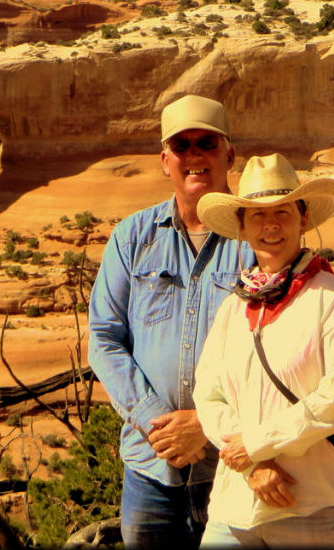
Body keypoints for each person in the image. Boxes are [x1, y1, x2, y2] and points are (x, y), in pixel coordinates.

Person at [88, 94, 252, 549]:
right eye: (182, 146)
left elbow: (275, 354)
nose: (195, 155)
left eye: (207, 143)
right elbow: (104, 338)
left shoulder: (254, 238)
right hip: (151, 464)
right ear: (165, 160)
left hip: (234, 465)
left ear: (230, 155)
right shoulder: (132, 237)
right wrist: (160, 424)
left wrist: (206, 424)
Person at [192, 153, 334, 547]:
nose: (270, 224)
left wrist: (259, 444)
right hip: (234, 505)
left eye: (282, 212)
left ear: (303, 219)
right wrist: (254, 462)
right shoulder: (233, 308)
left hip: (314, 505)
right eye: (257, 215)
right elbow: (208, 395)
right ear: (242, 225)